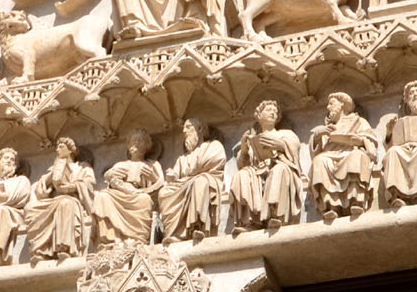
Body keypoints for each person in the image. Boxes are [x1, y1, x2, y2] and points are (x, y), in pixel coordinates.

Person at [232, 100, 304, 230]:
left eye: (275, 111)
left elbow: (295, 154)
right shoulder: (253, 139)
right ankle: (250, 221)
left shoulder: (285, 134)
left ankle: (275, 215)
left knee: (279, 170)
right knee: (242, 174)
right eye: (268, 110)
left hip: (280, 167)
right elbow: (243, 164)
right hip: (257, 173)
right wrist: (244, 149)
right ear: (259, 115)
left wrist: (281, 145)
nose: (273, 113)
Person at [309, 92, 376, 220]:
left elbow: (370, 142)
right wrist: (317, 136)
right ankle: (331, 206)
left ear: (342, 104)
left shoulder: (359, 121)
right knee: (319, 160)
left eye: (331, 103)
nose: (328, 107)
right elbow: (315, 153)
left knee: (356, 156)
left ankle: (356, 200)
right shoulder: (327, 128)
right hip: (330, 155)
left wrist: (359, 140)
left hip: (350, 152)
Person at [27, 139, 96, 260]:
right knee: (30, 208)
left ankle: (64, 247)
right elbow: (41, 188)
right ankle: (40, 250)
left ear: (70, 150)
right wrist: (51, 177)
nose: (57, 149)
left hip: (72, 199)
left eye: (61, 146)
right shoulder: (54, 167)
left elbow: (89, 184)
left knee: (65, 203)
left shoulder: (82, 167)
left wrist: (73, 187)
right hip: (54, 199)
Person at [159, 118, 225, 241]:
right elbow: (176, 175)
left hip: (206, 180)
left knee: (199, 182)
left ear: (200, 129)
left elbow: (214, 161)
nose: (184, 131)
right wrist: (172, 177)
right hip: (183, 184)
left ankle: (197, 227)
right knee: (164, 192)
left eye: (188, 127)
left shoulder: (213, 146)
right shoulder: (182, 158)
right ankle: (173, 233)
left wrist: (192, 172)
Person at [93, 130, 163, 245]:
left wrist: (153, 177)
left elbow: (161, 184)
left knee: (144, 200)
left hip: (141, 194)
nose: (136, 144)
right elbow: (111, 179)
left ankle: (138, 238)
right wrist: (111, 177)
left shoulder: (152, 165)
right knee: (102, 196)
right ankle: (112, 238)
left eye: (140, 141)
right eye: (133, 141)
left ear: (146, 146)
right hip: (121, 194)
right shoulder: (122, 165)